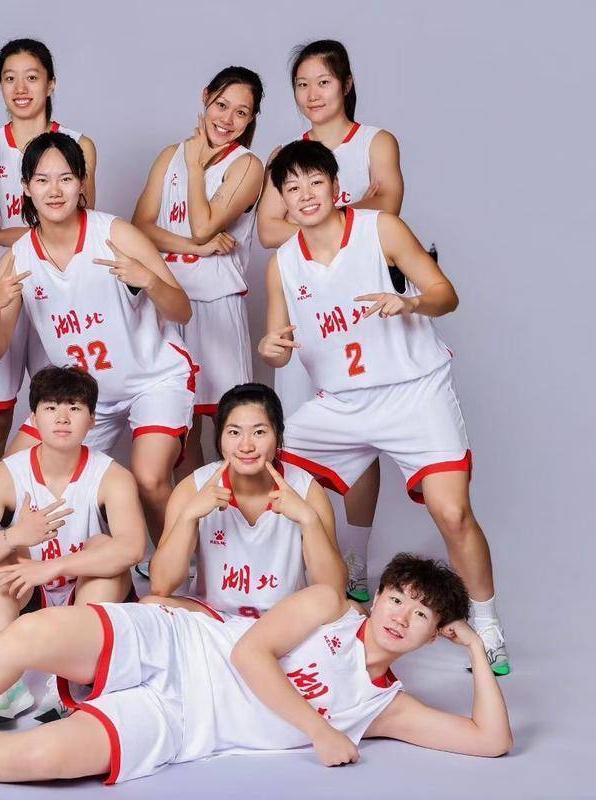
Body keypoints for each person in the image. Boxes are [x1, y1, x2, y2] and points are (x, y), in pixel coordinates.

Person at [0, 553, 511, 781]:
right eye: (396, 598)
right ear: (377, 595)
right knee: (35, 633)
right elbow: (250, 652)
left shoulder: (384, 708)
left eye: (421, 615)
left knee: (41, 758)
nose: (400, 616)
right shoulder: (330, 605)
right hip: (179, 645)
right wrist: (318, 731)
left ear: (431, 635)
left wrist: (477, 649)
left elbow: (490, 741)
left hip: (182, 722)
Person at [257, 139, 509, 674]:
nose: (305, 194)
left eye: (315, 182)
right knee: (267, 477)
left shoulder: (381, 230)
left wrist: (411, 300)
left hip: (413, 392)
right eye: (292, 187)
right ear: (282, 199)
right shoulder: (282, 264)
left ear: (336, 187)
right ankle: (324, 590)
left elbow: (446, 294)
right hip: (341, 404)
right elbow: (277, 346)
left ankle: (487, 624)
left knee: (452, 512)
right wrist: (270, 347)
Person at [0, 131, 195, 551]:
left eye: (65, 178)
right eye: (42, 180)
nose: (54, 190)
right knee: (11, 476)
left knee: (149, 478)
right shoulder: (17, 259)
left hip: (153, 379)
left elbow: (182, 310)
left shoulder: (114, 235)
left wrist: (150, 281)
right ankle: (26, 573)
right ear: (26, 187)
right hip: (83, 395)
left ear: (81, 182)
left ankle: (180, 575)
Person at [256, 40, 406, 602]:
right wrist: (349, 208)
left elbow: (389, 208)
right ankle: (299, 560)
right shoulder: (287, 153)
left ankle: (356, 561)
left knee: (360, 439)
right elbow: (268, 231)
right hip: (305, 304)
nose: (312, 94)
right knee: (293, 436)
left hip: (361, 310)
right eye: (302, 84)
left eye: (323, 81)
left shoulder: (375, 141)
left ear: (345, 83)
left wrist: (316, 215)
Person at [0, 37, 98, 486]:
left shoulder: (78, 144)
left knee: (62, 414)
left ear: (51, 83)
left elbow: (80, 222)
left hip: (60, 282)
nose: (21, 88)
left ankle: (55, 518)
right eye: (9, 78)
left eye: (32, 77)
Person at [0, 366, 143, 728]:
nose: (62, 418)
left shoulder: (111, 475)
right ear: (34, 417)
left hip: (85, 593)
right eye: (51, 407)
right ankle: (5, 685)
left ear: (92, 420)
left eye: (74, 408)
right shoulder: (5, 476)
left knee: (104, 548)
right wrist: (15, 536)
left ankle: (65, 683)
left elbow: (132, 549)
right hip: (30, 595)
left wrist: (54, 567)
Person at [132, 66, 264, 476]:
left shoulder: (247, 166)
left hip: (215, 303)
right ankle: (198, 516)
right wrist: (195, 248)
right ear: (205, 96)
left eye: (241, 112)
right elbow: (140, 227)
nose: (227, 119)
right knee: (181, 427)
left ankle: (237, 514)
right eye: (221, 105)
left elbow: (203, 225)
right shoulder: (169, 155)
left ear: (252, 119)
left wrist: (194, 167)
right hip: (167, 301)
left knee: (231, 424)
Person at [150, 383, 345, 619]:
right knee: (152, 604)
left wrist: (308, 519)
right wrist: (188, 516)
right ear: (220, 437)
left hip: (285, 623)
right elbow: (161, 585)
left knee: (352, 611)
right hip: (214, 619)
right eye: (234, 432)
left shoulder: (307, 490)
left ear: (278, 435)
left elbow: (334, 592)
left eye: (259, 432)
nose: (246, 446)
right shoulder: (193, 488)